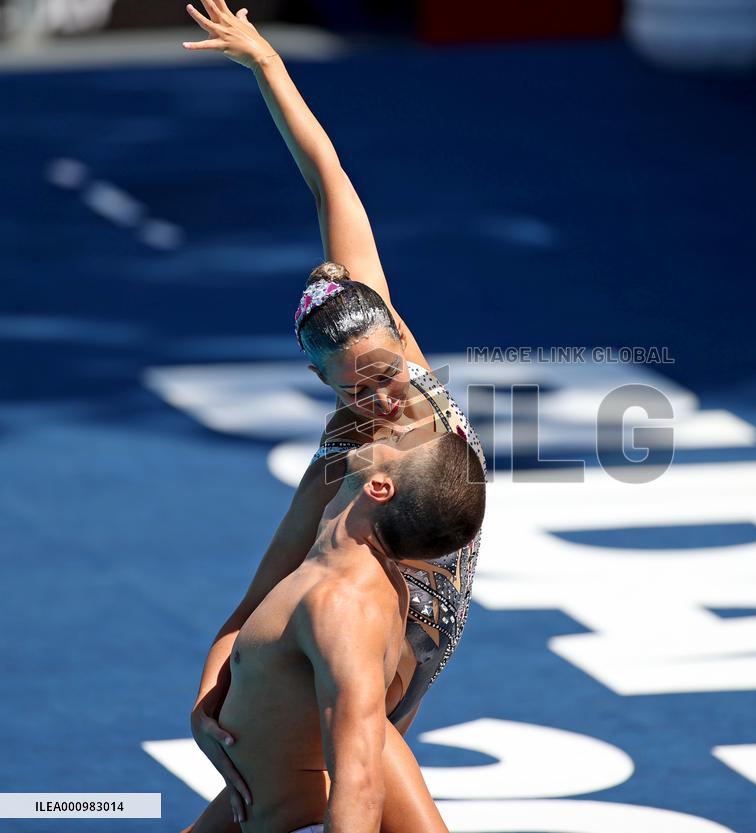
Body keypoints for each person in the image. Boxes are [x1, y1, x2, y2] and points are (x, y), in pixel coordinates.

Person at [179, 1, 488, 829]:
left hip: (425, 632)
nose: (380, 397)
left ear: (395, 334)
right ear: (321, 380)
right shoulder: (344, 466)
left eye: (384, 371)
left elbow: (328, 175)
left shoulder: (392, 344)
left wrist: (267, 65)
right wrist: (211, 690)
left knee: (288, 794)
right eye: (353, 389)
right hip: (380, 630)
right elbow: (264, 588)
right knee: (334, 778)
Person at [185, 427, 486, 833]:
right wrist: (205, 706)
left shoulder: (342, 606)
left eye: (399, 441)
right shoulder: (338, 558)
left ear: (379, 488)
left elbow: (359, 783)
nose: (394, 429)